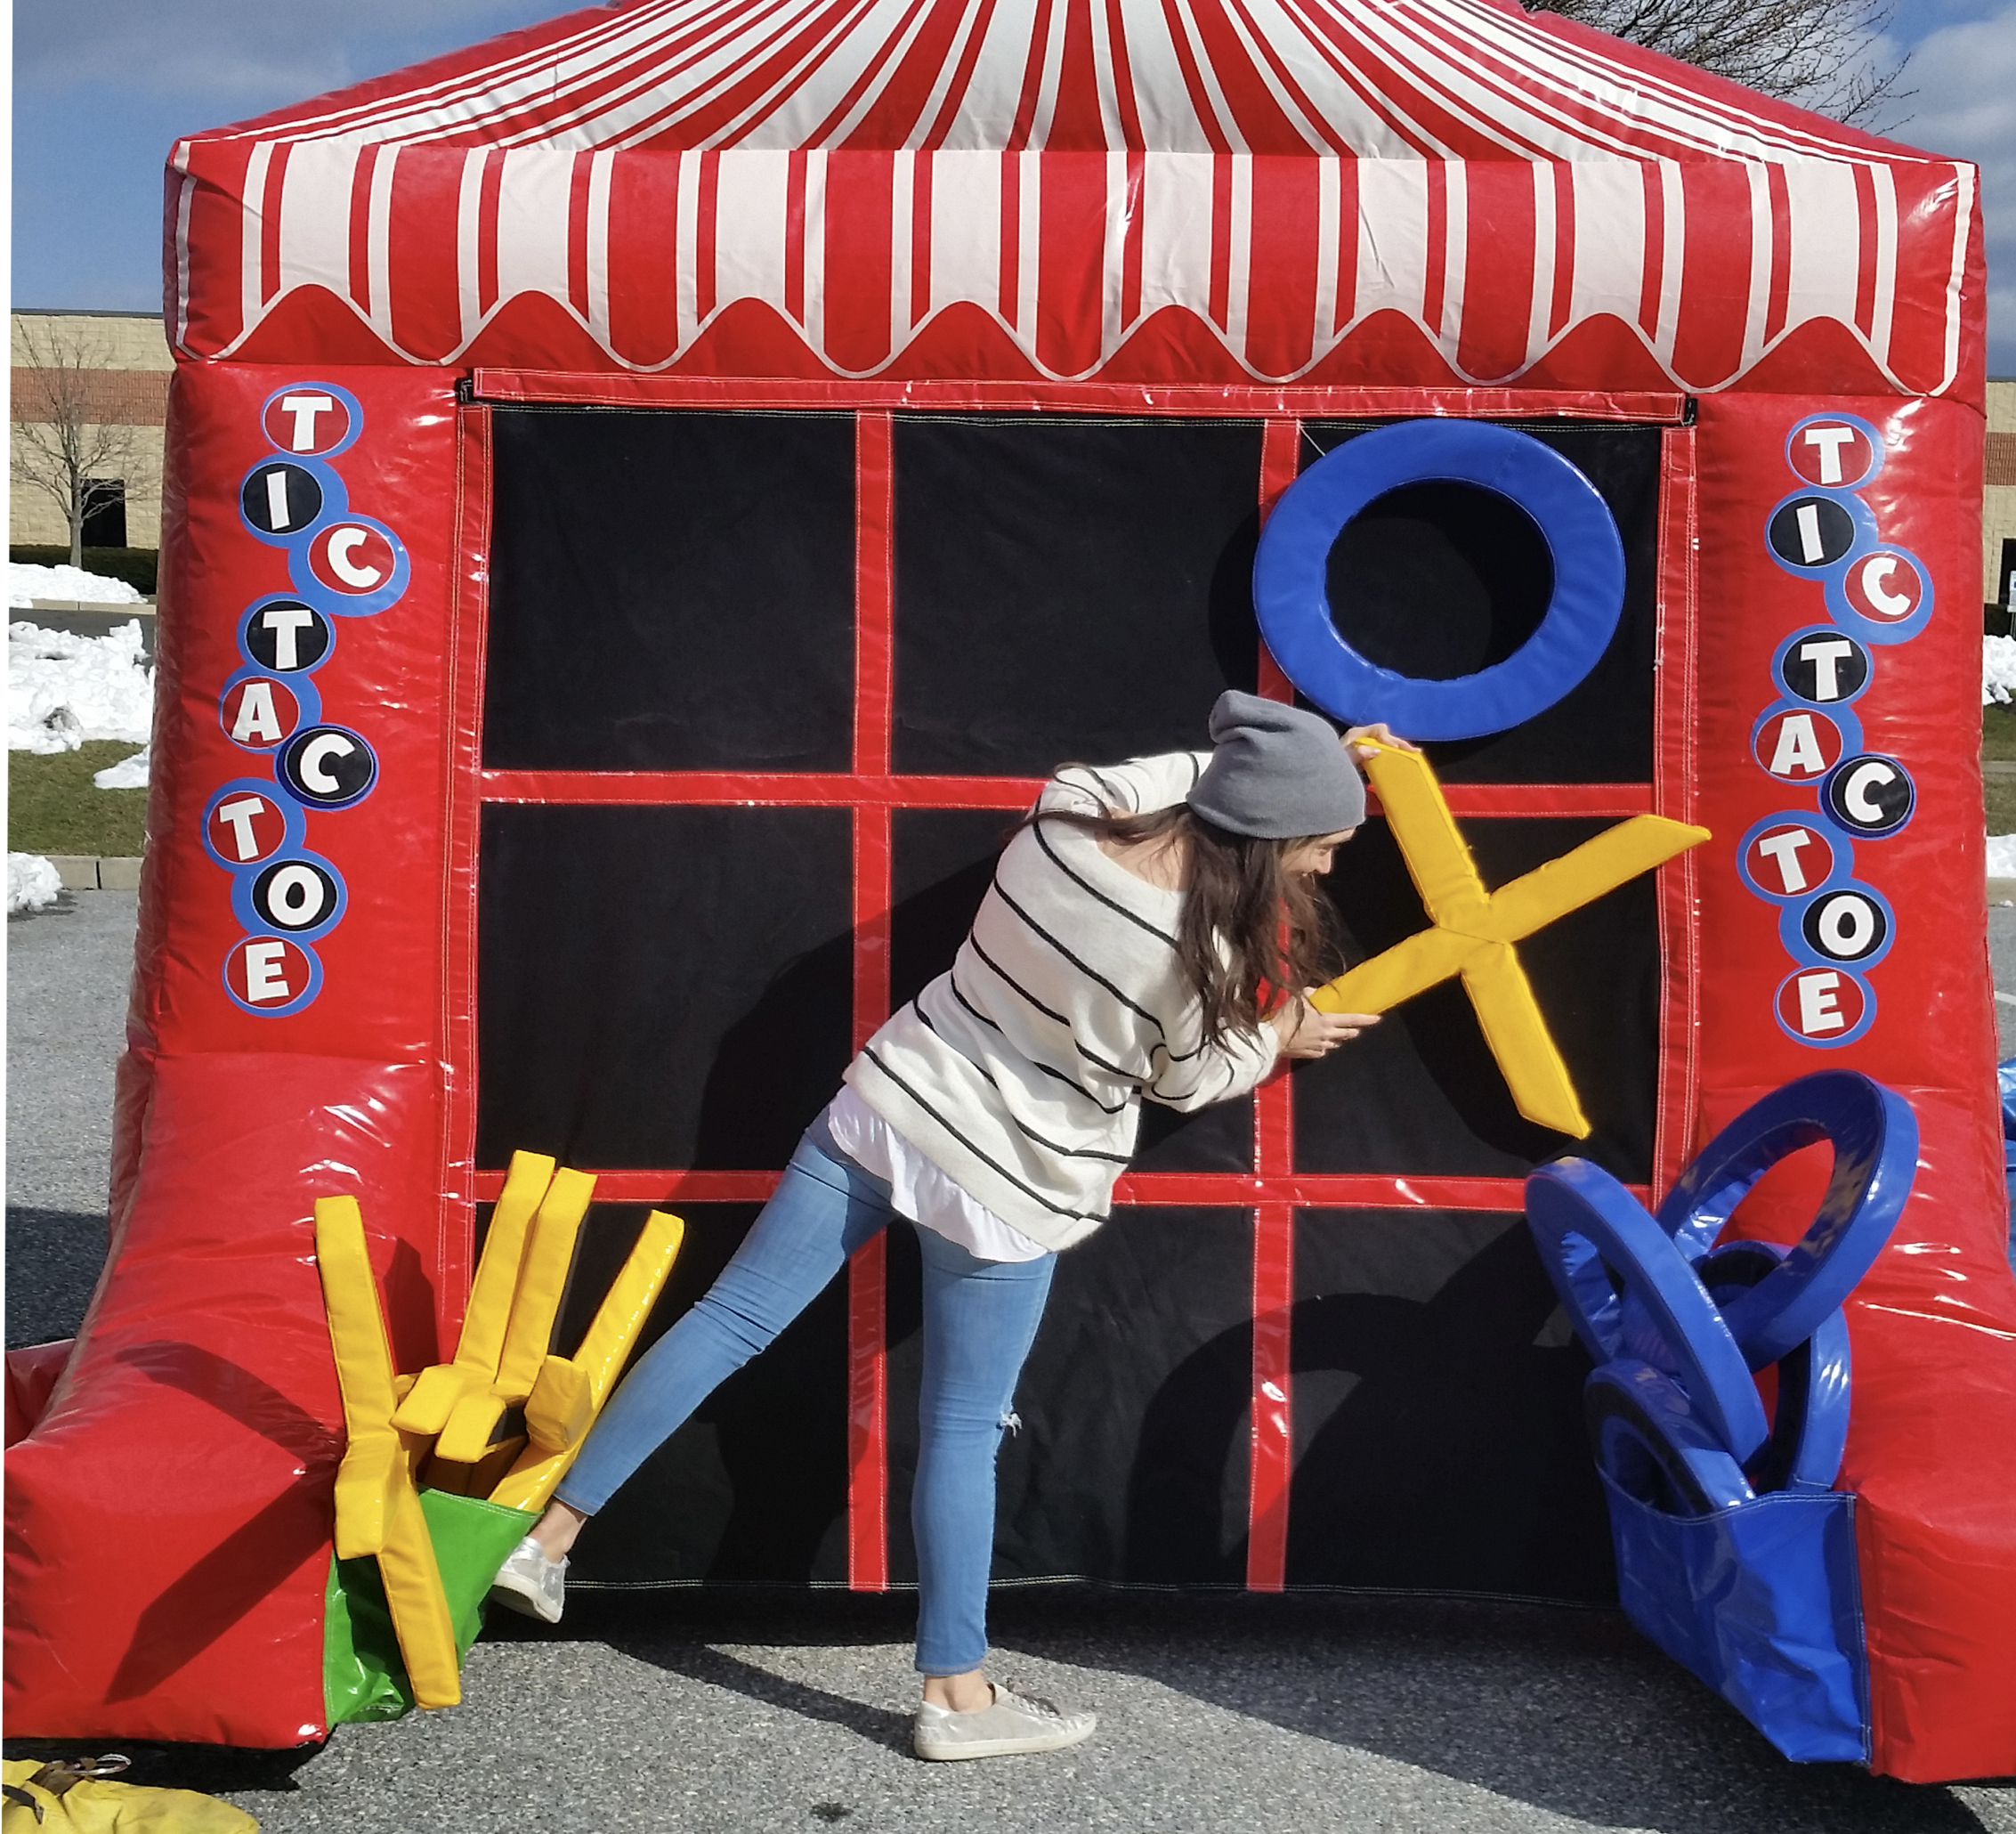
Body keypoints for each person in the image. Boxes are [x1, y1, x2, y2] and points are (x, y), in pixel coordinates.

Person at [489, 691, 1409, 1760]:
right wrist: (1283, 1030)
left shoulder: (1058, 832)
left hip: (885, 1110)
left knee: (729, 1316)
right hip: (1007, 1186)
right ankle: (955, 1697)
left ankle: (547, 1537)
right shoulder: (1189, 960)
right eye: (1325, 845)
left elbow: (1143, 781)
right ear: (1266, 835)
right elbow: (1190, 1077)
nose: (1330, 869)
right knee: (963, 1430)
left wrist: (1284, 761)